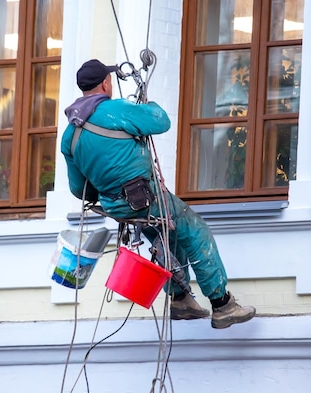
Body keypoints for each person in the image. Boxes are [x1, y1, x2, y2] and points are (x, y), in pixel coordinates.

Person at [61, 59, 256, 329]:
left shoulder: (71, 132)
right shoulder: (116, 110)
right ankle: (222, 304)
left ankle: (179, 299)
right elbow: (161, 121)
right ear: (106, 83)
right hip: (146, 197)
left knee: (165, 236)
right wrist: (146, 105)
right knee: (193, 229)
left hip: (117, 207)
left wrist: (108, 182)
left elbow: (77, 187)